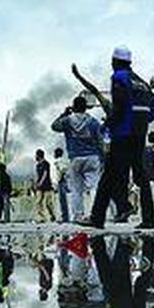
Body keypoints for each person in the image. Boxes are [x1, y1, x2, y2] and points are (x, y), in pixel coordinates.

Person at [89, 46, 154, 230]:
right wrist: (144, 120)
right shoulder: (141, 83)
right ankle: (149, 219)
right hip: (139, 134)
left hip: (123, 133)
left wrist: (107, 125)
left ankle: (97, 218)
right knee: (141, 175)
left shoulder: (119, 77)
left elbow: (120, 107)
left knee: (109, 175)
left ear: (115, 61)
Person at [52, 95, 104, 223]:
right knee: (94, 187)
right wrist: (102, 157)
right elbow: (100, 141)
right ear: (86, 108)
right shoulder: (93, 122)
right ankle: (94, 214)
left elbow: (54, 126)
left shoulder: (68, 121)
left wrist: (64, 113)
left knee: (76, 189)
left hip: (75, 157)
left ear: (73, 107)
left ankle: (78, 215)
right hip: (92, 157)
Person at [33, 149, 55, 222]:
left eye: (36, 155)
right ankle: (41, 217)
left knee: (48, 203)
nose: (35, 157)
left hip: (47, 185)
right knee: (38, 202)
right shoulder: (38, 165)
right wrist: (36, 183)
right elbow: (37, 175)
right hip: (40, 187)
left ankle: (52, 215)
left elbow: (45, 174)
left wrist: (40, 182)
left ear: (39, 155)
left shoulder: (46, 163)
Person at [52, 147, 70, 223]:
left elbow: (62, 170)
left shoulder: (58, 161)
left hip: (61, 182)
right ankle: (65, 217)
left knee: (62, 200)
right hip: (63, 181)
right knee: (63, 200)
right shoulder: (63, 161)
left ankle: (65, 218)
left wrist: (59, 179)